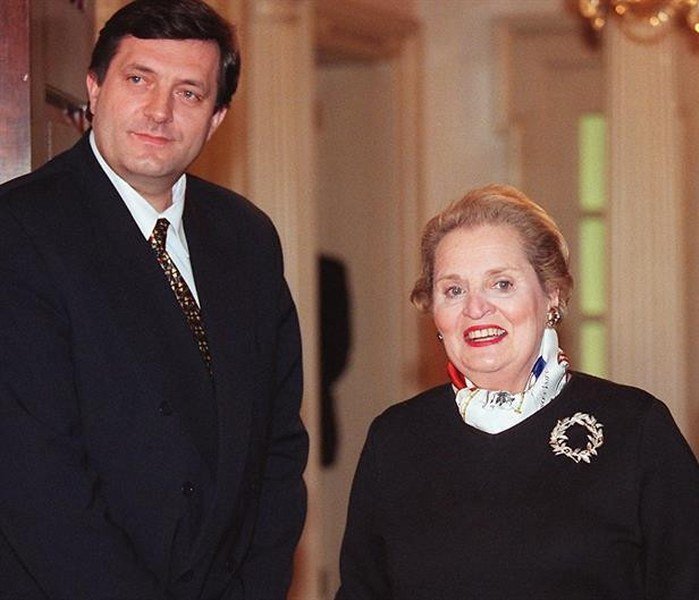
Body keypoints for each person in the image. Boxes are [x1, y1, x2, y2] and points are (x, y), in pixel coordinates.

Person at [0, 1, 307, 598]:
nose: (159, 111)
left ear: (216, 118)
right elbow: (33, 476)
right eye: (139, 79)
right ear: (95, 88)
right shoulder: (21, 231)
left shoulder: (247, 237)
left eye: (189, 93)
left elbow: (276, 446)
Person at [336, 184, 699, 599]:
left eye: (502, 284)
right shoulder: (397, 439)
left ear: (551, 294)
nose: (476, 308)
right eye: (454, 290)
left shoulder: (634, 429)